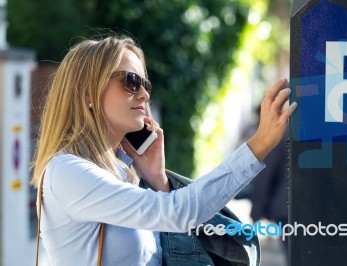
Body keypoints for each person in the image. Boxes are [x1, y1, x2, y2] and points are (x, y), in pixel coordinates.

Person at [31, 35, 297, 266]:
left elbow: (170, 238)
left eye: (144, 85)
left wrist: (157, 180)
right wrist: (259, 145)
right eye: (131, 81)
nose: (144, 95)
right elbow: (178, 213)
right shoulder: (68, 172)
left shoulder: (124, 173)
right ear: (87, 92)